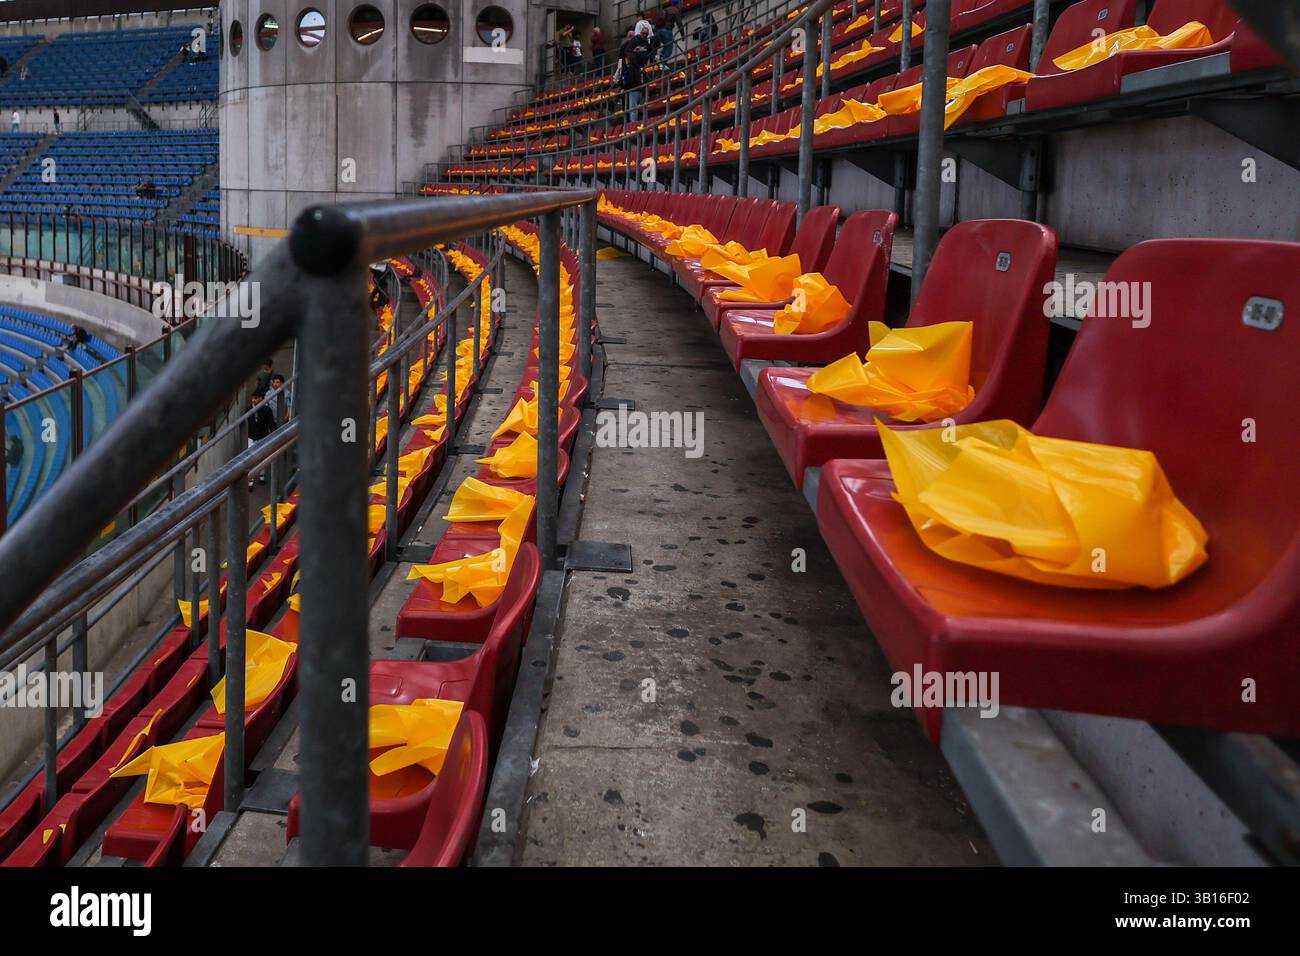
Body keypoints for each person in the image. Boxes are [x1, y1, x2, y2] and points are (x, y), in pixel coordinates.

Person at [615, 22, 653, 123]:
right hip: (632, 85)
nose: (645, 35)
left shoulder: (646, 44)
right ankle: (632, 124)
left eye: (646, 34)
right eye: (643, 33)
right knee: (631, 107)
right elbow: (622, 61)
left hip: (637, 83)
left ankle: (635, 123)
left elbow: (650, 52)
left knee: (636, 106)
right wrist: (622, 85)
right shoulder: (630, 45)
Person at [246, 391, 276, 488]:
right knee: (250, 459)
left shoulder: (267, 410)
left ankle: (261, 476)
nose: (254, 400)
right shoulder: (248, 409)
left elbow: (271, 424)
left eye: (256, 398)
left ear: (261, 399)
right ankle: (250, 480)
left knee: (262, 458)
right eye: (253, 398)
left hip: (263, 437)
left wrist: (274, 435)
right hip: (251, 437)